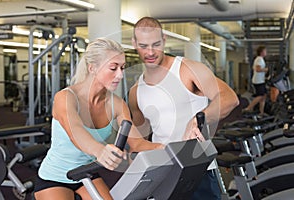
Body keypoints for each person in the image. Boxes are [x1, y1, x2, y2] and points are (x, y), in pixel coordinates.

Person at [34, 38, 163, 200]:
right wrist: (100, 151)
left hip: (87, 173)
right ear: (92, 68)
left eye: (122, 68)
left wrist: (167, 147)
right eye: (113, 68)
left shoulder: (116, 104)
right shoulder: (66, 98)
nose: (120, 75)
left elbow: (137, 143)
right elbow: (77, 132)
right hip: (55, 177)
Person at [128, 17, 239, 199]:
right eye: (143, 45)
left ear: (164, 40)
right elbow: (141, 139)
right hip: (162, 172)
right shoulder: (136, 92)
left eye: (156, 44)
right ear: (134, 44)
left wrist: (198, 118)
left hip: (198, 170)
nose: (150, 52)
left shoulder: (187, 69)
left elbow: (229, 98)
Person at [245, 45, 268, 115]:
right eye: (265, 51)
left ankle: (261, 112)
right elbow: (258, 69)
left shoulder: (259, 59)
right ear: (261, 52)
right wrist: (266, 69)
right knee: (260, 96)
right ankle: (248, 108)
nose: (266, 52)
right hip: (258, 81)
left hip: (260, 80)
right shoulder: (259, 59)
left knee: (264, 96)